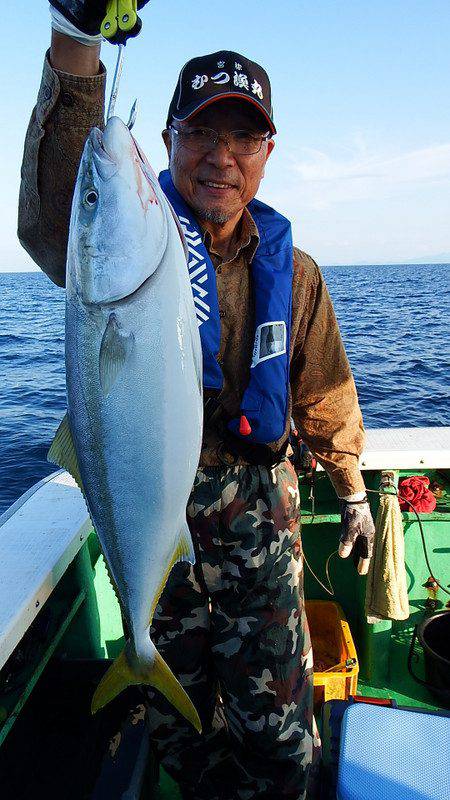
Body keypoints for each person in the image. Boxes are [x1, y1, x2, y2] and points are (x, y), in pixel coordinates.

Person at [18, 4, 376, 798]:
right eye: (202, 133)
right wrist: (75, 42)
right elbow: (57, 215)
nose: (222, 156)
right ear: (170, 140)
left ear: (267, 153)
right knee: (182, 742)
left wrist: (352, 488)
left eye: (244, 137)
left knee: (281, 745)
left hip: (261, 544)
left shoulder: (299, 274)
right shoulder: (125, 238)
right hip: (157, 536)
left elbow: (324, 395)